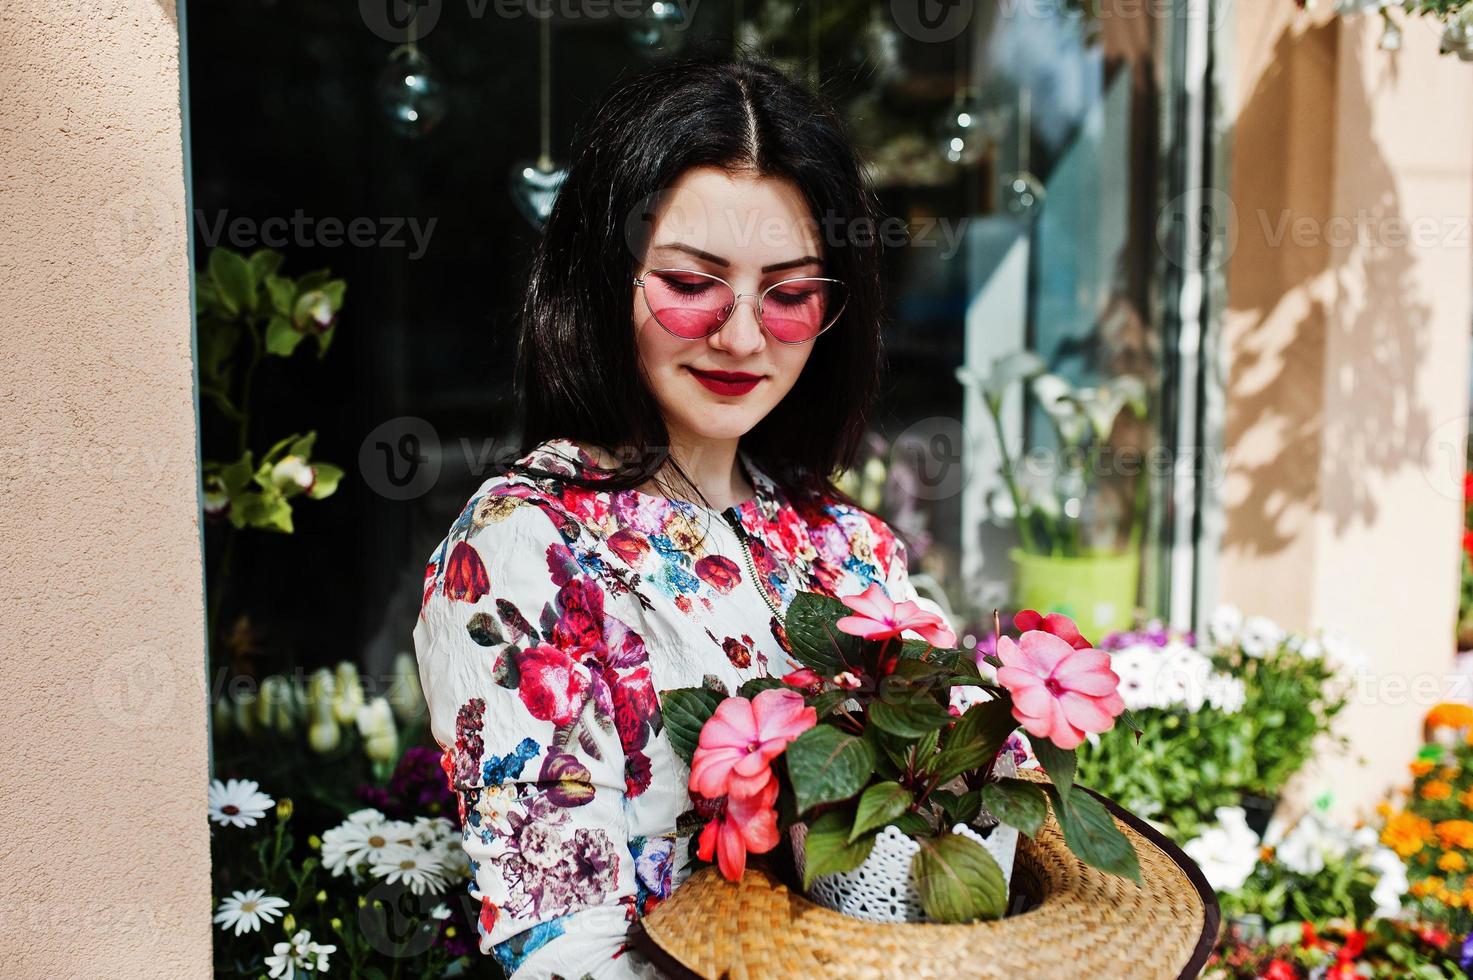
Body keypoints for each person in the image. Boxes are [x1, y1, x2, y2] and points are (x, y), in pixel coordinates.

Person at [412, 54, 947, 979]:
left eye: (788, 295)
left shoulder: (845, 542)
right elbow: (565, 948)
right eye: (691, 283)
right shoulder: (523, 552)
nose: (741, 336)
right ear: (600, 277)